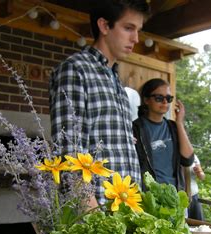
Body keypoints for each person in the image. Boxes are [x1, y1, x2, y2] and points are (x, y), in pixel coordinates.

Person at [49, 0, 150, 206]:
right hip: (97, 214)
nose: (136, 38)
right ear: (104, 26)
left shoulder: (115, 79)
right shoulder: (76, 70)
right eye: (128, 28)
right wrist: (92, 218)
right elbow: (69, 153)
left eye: (138, 30)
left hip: (124, 209)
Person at [133, 78, 194, 191]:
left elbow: (188, 160)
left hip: (175, 195)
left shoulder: (174, 127)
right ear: (146, 100)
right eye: (159, 98)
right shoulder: (135, 128)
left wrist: (179, 122)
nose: (165, 102)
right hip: (149, 197)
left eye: (168, 98)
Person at [187, 155, 205, 220]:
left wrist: (199, 172)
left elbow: (202, 177)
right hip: (180, 194)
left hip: (194, 195)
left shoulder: (193, 156)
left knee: (199, 223)